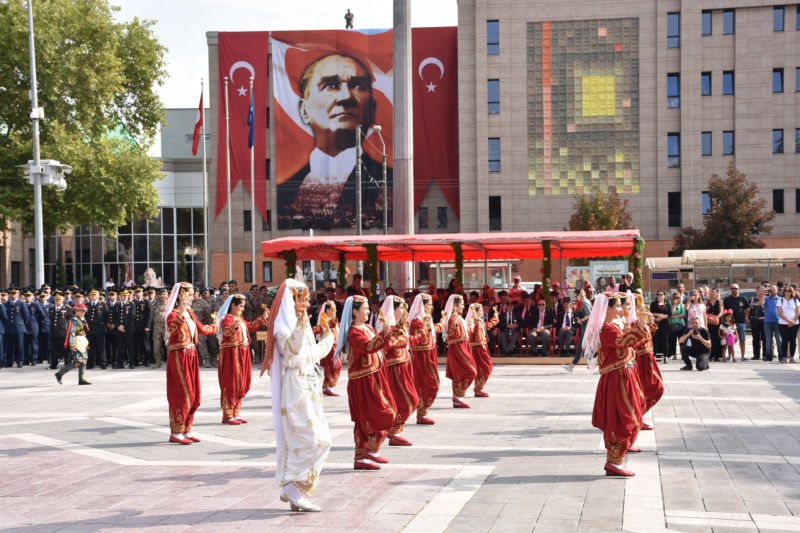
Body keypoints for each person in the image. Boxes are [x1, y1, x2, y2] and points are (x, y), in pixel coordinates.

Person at [277, 53, 391, 230]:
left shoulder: (390, 181)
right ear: (304, 109)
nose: (345, 97)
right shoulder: (283, 192)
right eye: (330, 85)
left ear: (371, 109)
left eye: (358, 85)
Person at [262, 279, 334, 512]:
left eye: (305, 299)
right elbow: (292, 352)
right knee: (312, 439)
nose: (304, 303)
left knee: (321, 440)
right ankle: (292, 489)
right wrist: (302, 325)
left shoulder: (300, 325)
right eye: (299, 299)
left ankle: (295, 490)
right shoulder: (283, 328)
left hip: (309, 384)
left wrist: (329, 339)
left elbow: (311, 355)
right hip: (296, 388)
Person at [584, 293, 647, 477]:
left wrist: (642, 323)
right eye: (619, 306)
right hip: (617, 380)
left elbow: (633, 341)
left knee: (631, 414)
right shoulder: (606, 329)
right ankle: (614, 462)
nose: (622, 309)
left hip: (623, 377)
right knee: (622, 418)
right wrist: (640, 324)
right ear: (607, 309)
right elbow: (624, 341)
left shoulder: (614, 326)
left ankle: (616, 460)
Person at [337, 295, 401, 470]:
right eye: (364, 308)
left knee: (367, 420)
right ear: (355, 311)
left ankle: (360, 458)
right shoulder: (354, 332)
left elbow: (380, 344)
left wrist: (389, 332)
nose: (368, 311)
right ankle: (371, 451)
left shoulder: (366, 327)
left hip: (374, 376)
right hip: (363, 381)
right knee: (386, 413)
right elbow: (368, 347)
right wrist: (383, 334)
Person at [165, 283, 218, 445]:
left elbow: (201, 329)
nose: (191, 297)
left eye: (191, 294)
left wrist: (216, 326)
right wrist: (181, 310)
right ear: (180, 296)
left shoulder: (190, 312)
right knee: (183, 393)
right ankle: (176, 431)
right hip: (179, 356)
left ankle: (187, 429)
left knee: (194, 394)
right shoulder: (172, 315)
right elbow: (172, 329)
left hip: (192, 354)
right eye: (188, 294)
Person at [217, 294, 269, 425]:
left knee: (242, 382)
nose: (243, 309)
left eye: (244, 306)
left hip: (243, 353)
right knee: (231, 383)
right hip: (232, 354)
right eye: (240, 306)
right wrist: (235, 324)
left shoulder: (239, 318)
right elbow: (227, 333)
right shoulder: (227, 319)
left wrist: (263, 318)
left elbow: (249, 326)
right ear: (233, 305)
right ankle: (227, 415)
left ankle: (235, 413)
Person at [376, 295, 418, 446]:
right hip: (393, 367)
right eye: (401, 308)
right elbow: (390, 342)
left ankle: (396, 431)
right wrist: (403, 334)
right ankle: (394, 431)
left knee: (407, 399)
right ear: (392, 310)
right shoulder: (386, 325)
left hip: (402, 364)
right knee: (408, 400)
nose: (403, 311)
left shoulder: (398, 325)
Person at [407, 293, 443, 425]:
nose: (431, 307)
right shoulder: (417, 322)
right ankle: (421, 412)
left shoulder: (425, 319)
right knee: (427, 384)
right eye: (429, 304)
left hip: (428, 356)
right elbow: (417, 339)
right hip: (421, 358)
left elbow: (432, 330)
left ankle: (422, 412)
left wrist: (440, 324)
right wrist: (425, 328)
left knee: (431, 383)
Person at [443, 294, 477, 408]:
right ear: (455, 305)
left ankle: (458, 398)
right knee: (471, 371)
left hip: (462, 347)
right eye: (461, 304)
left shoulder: (458, 318)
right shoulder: (453, 320)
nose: (463, 306)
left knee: (459, 374)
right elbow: (456, 337)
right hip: (459, 350)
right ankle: (458, 396)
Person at [633, 293, 663, 418]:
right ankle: (638, 414)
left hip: (648, 356)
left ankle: (640, 412)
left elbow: (649, 335)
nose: (642, 307)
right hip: (640, 358)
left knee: (656, 386)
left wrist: (650, 323)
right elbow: (636, 340)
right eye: (638, 304)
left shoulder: (640, 318)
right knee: (644, 388)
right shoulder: (632, 321)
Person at [55, 303, 92, 386]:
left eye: (84, 311)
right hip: (77, 342)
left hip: (82, 341)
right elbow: (71, 333)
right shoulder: (73, 320)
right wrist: (72, 345)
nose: (84, 313)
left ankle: (82, 379)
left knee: (84, 360)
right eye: (82, 311)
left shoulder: (82, 319)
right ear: (77, 311)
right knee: (78, 361)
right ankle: (60, 374)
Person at [467, 302, 499, 397]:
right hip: (477, 348)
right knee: (485, 368)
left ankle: (478, 388)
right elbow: (470, 330)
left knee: (484, 368)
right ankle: (476, 388)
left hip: (482, 347)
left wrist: (496, 317)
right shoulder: (474, 322)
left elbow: (488, 324)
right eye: (480, 310)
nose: (482, 311)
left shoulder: (479, 321)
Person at [312, 300, 341, 396]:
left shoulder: (332, 321)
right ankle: (330, 387)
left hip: (335, 346)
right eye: (333, 309)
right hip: (330, 347)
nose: (335, 311)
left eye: (335, 309)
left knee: (331, 367)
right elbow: (318, 329)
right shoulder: (325, 321)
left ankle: (326, 386)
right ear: (327, 310)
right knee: (334, 367)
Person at [561, 289, 593, 373]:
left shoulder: (585, 302)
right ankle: (572, 366)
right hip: (586, 328)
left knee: (582, 347)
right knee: (587, 348)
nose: (575, 297)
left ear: (580, 294)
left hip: (586, 329)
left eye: (576, 296)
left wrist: (581, 320)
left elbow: (589, 315)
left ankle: (572, 366)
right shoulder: (586, 302)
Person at [722, 284, 749, 362]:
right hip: (730, 323)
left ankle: (743, 356)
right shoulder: (727, 299)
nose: (734, 290)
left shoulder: (743, 298)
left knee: (742, 340)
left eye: (736, 288)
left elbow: (747, 309)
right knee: (729, 340)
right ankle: (729, 356)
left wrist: (746, 317)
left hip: (741, 322)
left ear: (738, 289)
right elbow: (725, 311)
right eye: (732, 288)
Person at [85, 289, 110, 369]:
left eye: (95, 295)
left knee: (101, 347)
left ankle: (103, 363)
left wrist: (105, 325)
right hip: (90, 329)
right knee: (90, 347)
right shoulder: (87, 304)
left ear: (98, 295)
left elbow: (107, 316)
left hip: (100, 329)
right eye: (92, 295)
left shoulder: (103, 304)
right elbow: (84, 317)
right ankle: (90, 363)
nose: (93, 296)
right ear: (90, 296)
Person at [777, 286, 800, 363]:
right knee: (785, 340)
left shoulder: (796, 301)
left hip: (795, 323)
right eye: (786, 290)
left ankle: (792, 357)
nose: (787, 292)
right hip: (783, 323)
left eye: (789, 290)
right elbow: (780, 313)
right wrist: (788, 321)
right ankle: (784, 357)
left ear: (792, 292)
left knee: (793, 340)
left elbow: (798, 312)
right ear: (783, 292)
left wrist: (793, 321)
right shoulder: (780, 300)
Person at [764, 284, 783, 361]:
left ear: (777, 290)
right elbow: (761, 303)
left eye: (774, 290)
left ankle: (781, 356)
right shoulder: (766, 299)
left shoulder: (781, 299)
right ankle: (769, 356)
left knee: (779, 339)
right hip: (767, 322)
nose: (772, 291)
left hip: (778, 322)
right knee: (768, 340)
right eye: (770, 290)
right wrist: (763, 294)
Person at [748, 286, 766, 360]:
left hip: (764, 321)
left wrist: (762, 297)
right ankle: (756, 355)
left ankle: (765, 355)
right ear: (756, 291)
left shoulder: (767, 299)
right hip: (754, 321)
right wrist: (748, 318)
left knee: (765, 339)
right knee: (755, 339)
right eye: (759, 291)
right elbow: (748, 310)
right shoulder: (752, 299)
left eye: (762, 291)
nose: (760, 292)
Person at [706, 287, 723, 362]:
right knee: (710, 338)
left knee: (717, 338)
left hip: (717, 322)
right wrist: (708, 318)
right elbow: (704, 311)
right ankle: (710, 355)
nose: (714, 293)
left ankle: (717, 356)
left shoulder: (720, 301)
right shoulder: (707, 301)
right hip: (708, 322)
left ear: (717, 293)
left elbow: (721, 312)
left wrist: (716, 318)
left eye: (715, 292)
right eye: (712, 292)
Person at [667, 293, 686, 360]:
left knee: (681, 340)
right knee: (672, 341)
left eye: (678, 297)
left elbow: (683, 314)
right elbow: (670, 313)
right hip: (672, 325)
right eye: (675, 297)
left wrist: (674, 317)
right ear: (672, 297)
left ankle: (683, 354)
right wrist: (674, 306)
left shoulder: (682, 305)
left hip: (681, 325)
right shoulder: (670, 305)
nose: (676, 299)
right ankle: (674, 355)